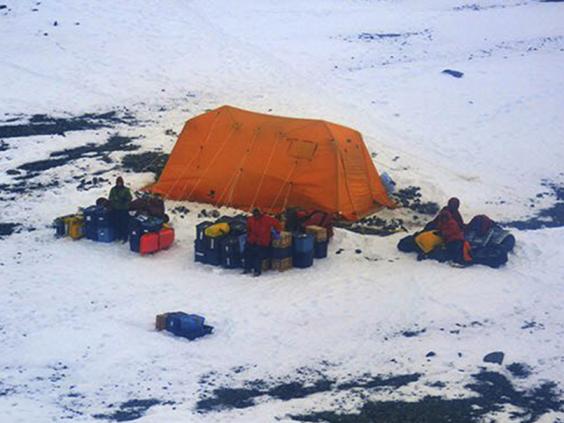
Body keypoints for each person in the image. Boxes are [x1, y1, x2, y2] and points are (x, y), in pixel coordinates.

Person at [244, 208, 281, 276]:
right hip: (252, 240)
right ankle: (247, 268)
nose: (256, 215)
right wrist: (248, 237)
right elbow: (248, 229)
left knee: (257, 253)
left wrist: (277, 232)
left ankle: (257, 270)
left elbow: (277, 223)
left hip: (263, 241)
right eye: (254, 214)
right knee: (246, 250)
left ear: (260, 213)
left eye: (257, 214)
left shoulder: (267, 219)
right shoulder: (250, 219)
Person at [109, 176, 133, 242]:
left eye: (120, 182)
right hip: (115, 209)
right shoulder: (113, 189)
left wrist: (124, 201)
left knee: (124, 224)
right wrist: (114, 200)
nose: (119, 184)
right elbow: (110, 197)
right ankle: (118, 236)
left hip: (124, 209)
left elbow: (130, 198)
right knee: (117, 223)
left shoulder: (126, 189)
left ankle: (125, 237)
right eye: (118, 182)